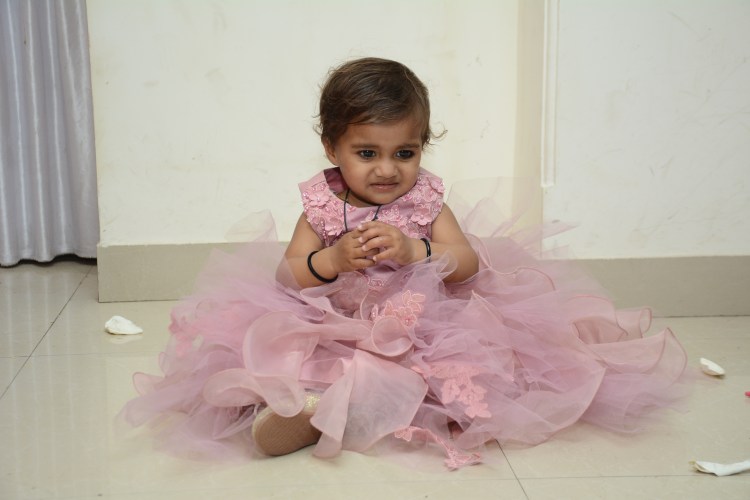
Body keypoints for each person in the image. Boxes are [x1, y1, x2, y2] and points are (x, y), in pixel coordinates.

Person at [121, 57, 689, 470]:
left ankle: (339, 409)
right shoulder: (322, 206)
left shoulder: (425, 202)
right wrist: (331, 259)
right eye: (366, 153)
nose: (387, 169)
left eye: (405, 153)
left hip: (423, 323)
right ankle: (300, 407)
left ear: (422, 148)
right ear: (332, 149)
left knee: (446, 371)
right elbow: (287, 274)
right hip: (339, 320)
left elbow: (466, 263)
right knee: (292, 350)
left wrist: (418, 251)